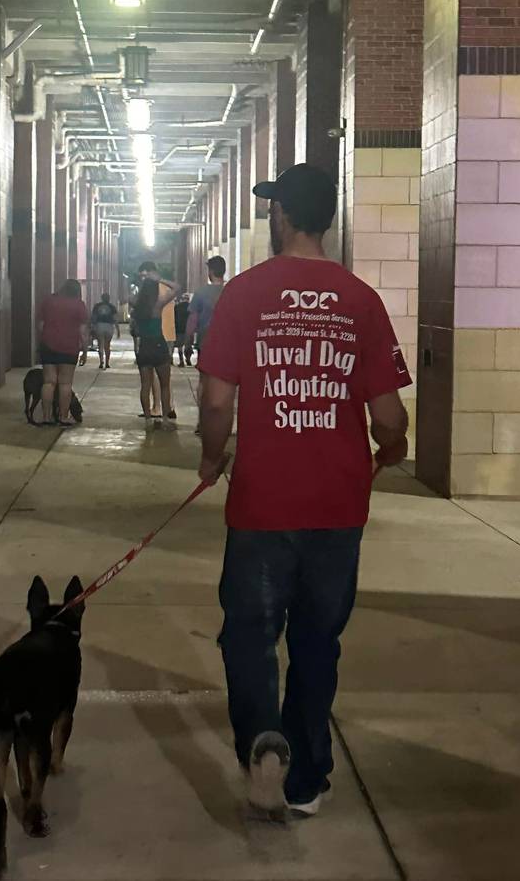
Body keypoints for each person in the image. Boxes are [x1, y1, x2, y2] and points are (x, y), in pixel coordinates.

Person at [197, 163, 410, 820]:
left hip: (263, 504)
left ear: (282, 215)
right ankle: (305, 777)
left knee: (250, 637)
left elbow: (215, 400)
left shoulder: (243, 295)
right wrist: (392, 451)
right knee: (318, 642)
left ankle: (264, 741)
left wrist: (211, 458)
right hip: (337, 507)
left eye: (272, 208)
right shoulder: (361, 300)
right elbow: (390, 419)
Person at [37, 279, 89, 428]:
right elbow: (83, 332)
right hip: (69, 347)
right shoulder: (79, 305)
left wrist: (46, 339)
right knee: (65, 383)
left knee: (49, 382)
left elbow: (40, 325)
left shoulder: (49, 301)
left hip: (48, 345)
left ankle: (46, 417)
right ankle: (63, 417)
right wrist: (84, 351)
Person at [134, 275, 179, 430]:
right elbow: (176, 288)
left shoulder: (137, 306)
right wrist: (160, 279)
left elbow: (125, 297)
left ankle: (147, 419)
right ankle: (165, 419)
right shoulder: (158, 305)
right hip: (158, 345)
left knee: (145, 385)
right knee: (164, 385)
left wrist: (142, 284)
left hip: (144, 346)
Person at [186, 255, 226, 432]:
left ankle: (202, 422)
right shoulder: (231, 291)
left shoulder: (201, 293)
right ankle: (223, 423)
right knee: (226, 383)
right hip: (227, 345)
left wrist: (187, 343)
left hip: (206, 343)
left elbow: (192, 320)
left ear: (210, 271)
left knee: (204, 382)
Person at [91, 292, 120, 370]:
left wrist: (92, 326)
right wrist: (118, 330)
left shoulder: (97, 306)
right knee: (107, 345)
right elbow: (115, 319)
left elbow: (93, 318)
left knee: (100, 344)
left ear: (102, 298)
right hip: (109, 326)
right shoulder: (112, 307)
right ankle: (107, 363)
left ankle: (101, 362)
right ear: (109, 299)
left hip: (99, 325)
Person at [173, 294, 191, 368]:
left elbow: (174, 317)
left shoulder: (177, 307)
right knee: (188, 345)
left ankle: (181, 361)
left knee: (180, 346)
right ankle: (188, 360)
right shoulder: (191, 307)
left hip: (179, 328)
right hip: (189, 328)